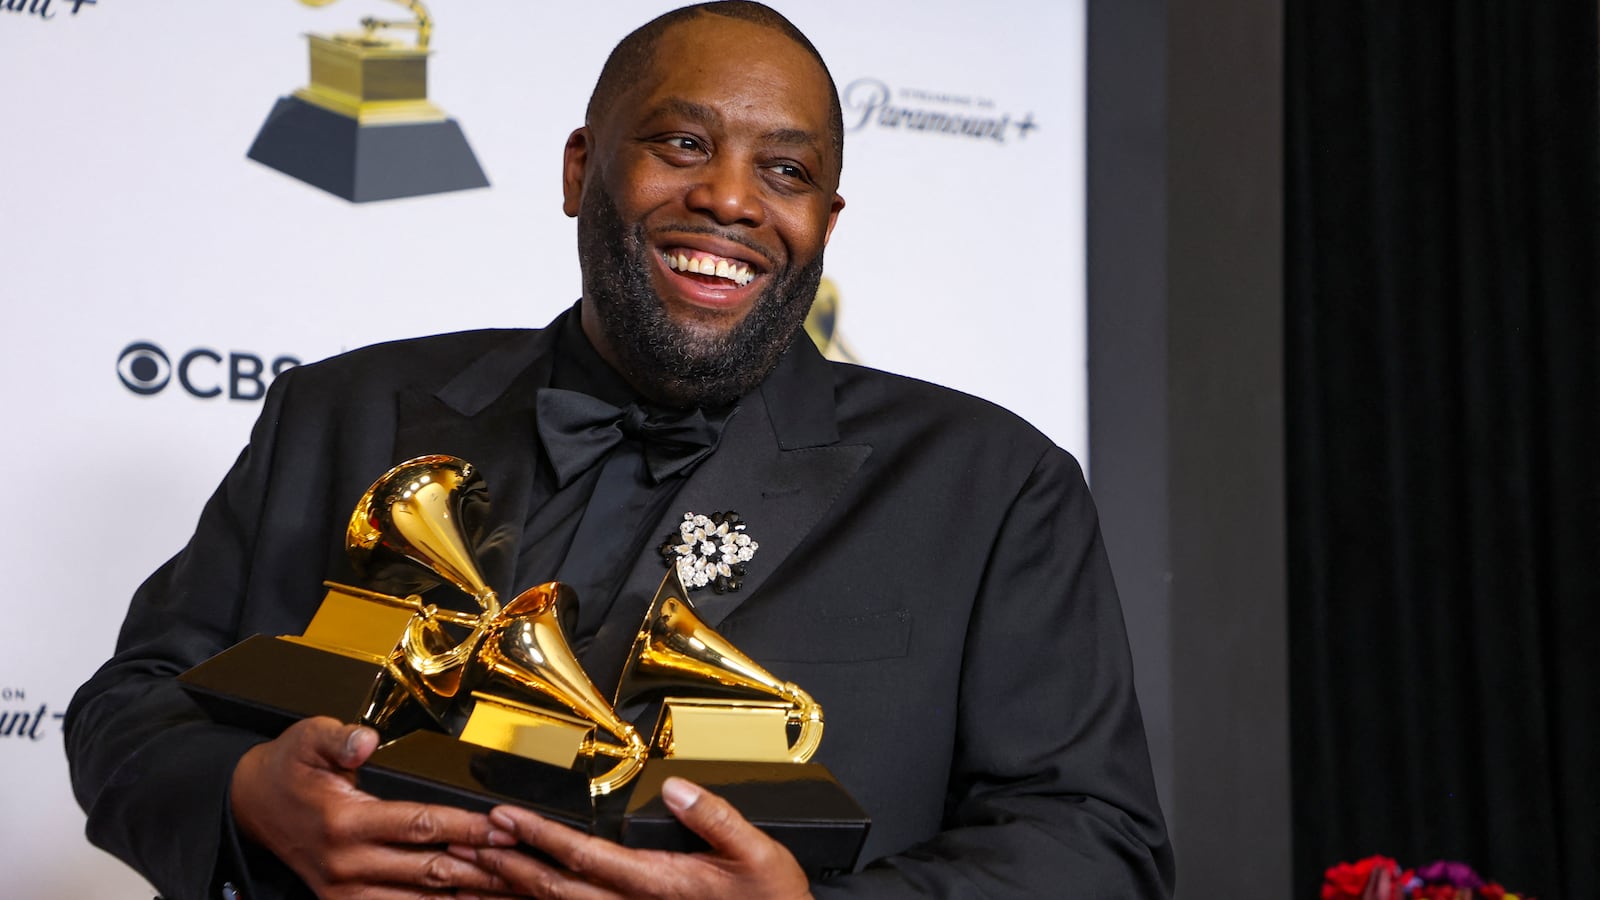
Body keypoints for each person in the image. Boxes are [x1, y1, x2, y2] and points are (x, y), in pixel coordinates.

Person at [65, 3, 1175, 898]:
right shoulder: (343, 414)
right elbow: (135, 704)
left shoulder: (990, 485)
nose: (730, 197)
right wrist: (249, 794)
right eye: (682, 143)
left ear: (827, 220)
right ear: (578, 170)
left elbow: (1094, 845)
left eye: (784, 172)